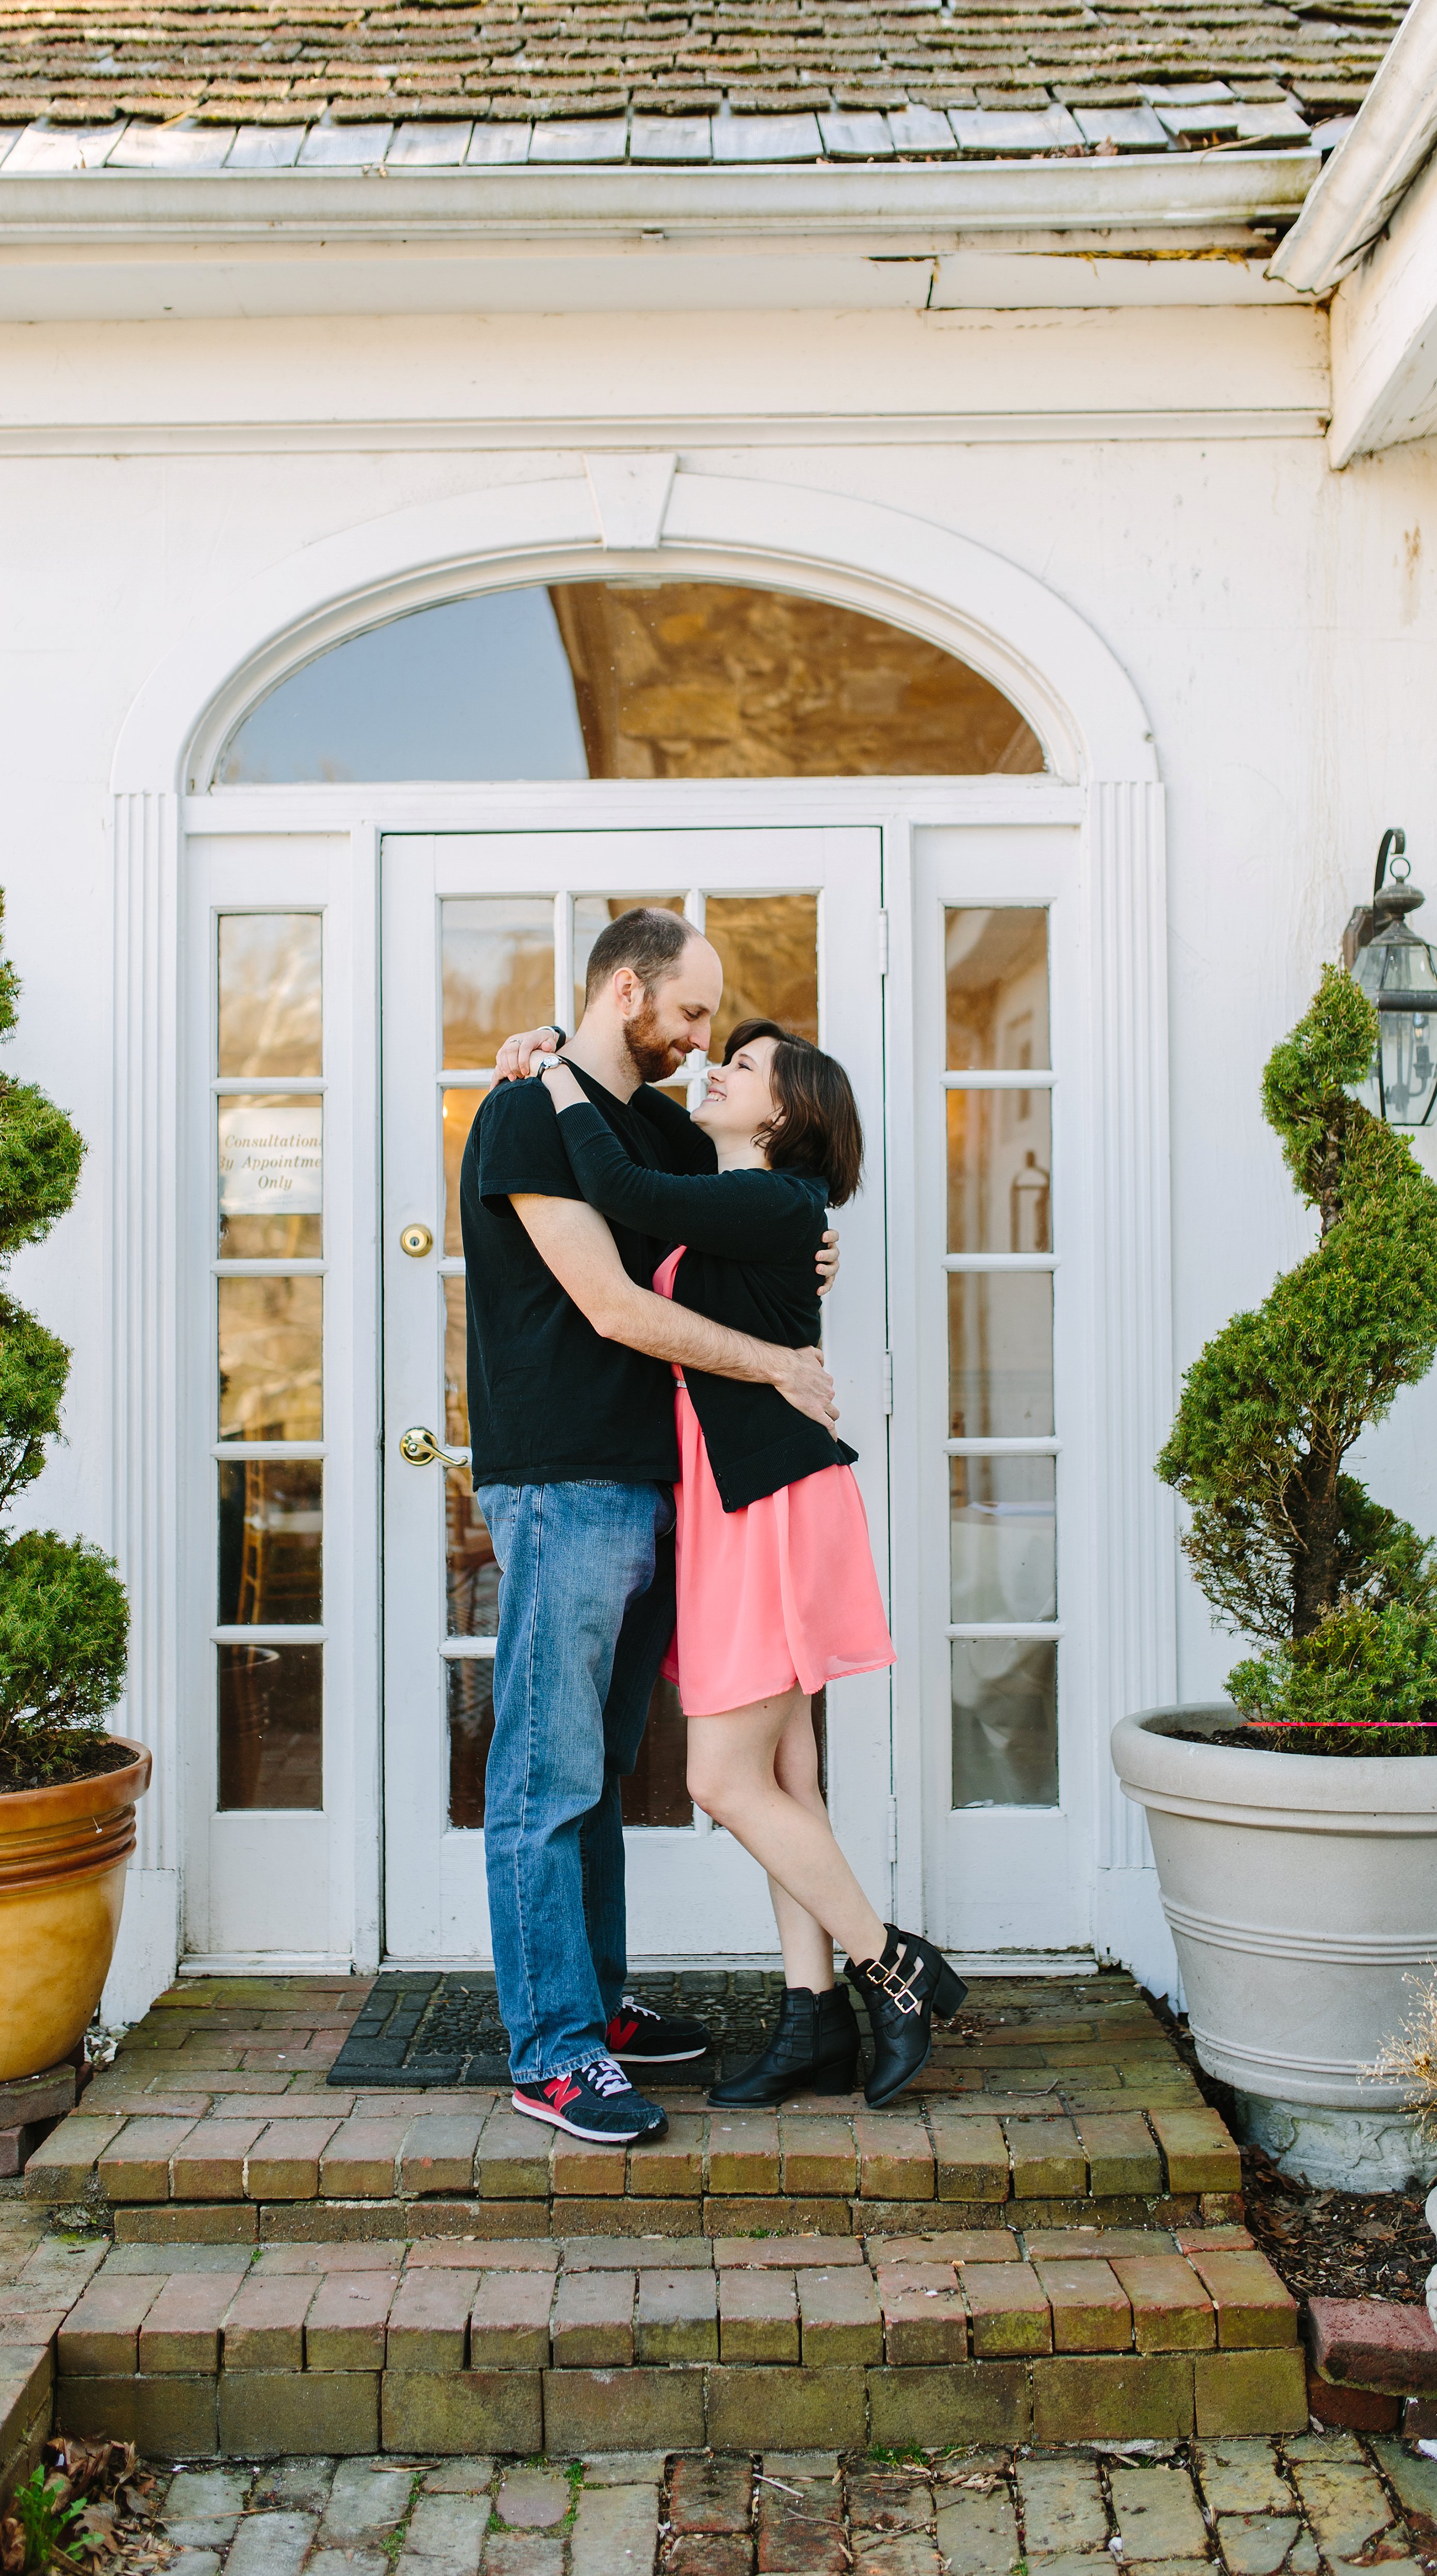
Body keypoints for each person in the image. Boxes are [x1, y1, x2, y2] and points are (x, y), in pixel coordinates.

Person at [460, 907, 841, 2147]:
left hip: (654, 1481)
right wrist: (777, 1364)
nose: (699, 1038)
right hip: (563, 1479)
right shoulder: (523, 1114)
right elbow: (613, 1306)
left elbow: (735, 1214)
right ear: (628, 993)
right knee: (546, 1774)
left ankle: (598, 2006)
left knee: (606, 1772)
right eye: (688, 1012)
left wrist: (802, 1248)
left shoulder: (652, 1122)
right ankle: (553, 2052)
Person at [537, 1021, 967, 2108]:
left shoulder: (773, 1202)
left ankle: (891, 1965)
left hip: (771, 1503)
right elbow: (656, 1199)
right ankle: (810, 2019)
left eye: (743, 1067)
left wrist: (551, 1072)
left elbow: (618, 1186)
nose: (714, 1069)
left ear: (782, 1116)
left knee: (719, 1780)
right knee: (783, 1776)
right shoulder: (749, 1205)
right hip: (740, 1499)